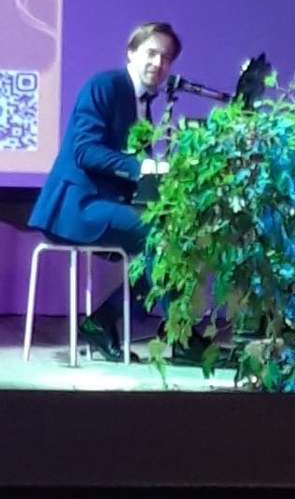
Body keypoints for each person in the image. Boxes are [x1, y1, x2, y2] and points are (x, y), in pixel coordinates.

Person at [28, 21, 182, 361]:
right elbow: (85, 150)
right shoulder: (105, 85)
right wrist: (144, 166)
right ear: (131, 52)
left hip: (106, 202)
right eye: (151, 53)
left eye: (166, 58)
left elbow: (132, 167)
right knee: (163, 237)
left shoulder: (143, 104)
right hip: (77, 205)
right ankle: (169, 332)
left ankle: (112, 322)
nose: (158, 63)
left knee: (177, 234)